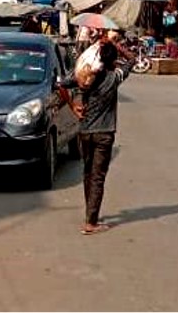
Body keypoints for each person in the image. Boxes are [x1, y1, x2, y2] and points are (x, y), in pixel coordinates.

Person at [58, 40, 134, 235]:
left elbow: (60, 83)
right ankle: (91, 222)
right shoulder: (114, 77)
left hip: (85, 132)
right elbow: (132, 59)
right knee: (98, 177)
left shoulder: (84, 77)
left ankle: (90, 214)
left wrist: (73, 106)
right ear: (113, 60)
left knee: (88, 173)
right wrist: (116, 45)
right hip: (104, 133)